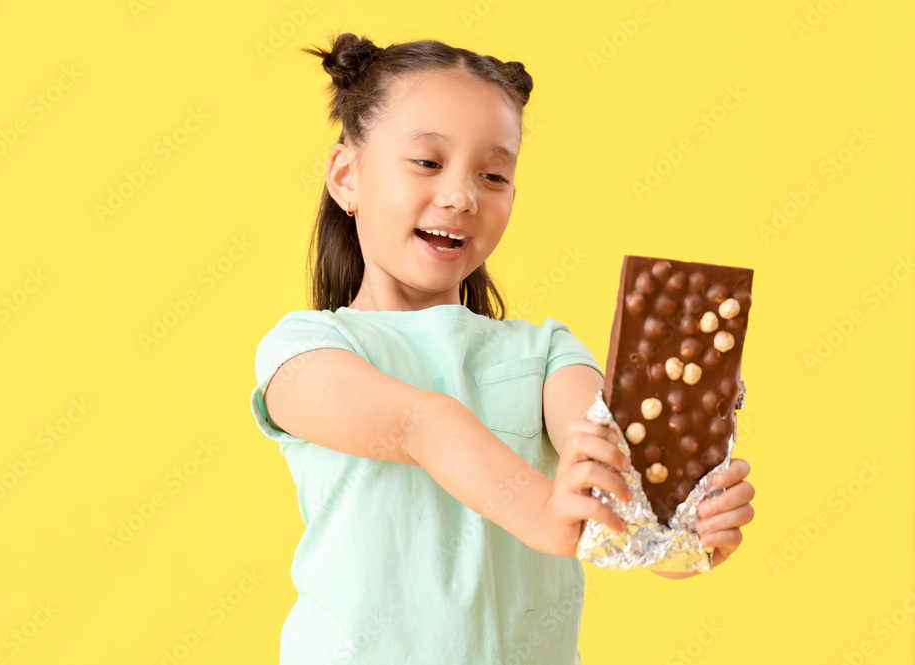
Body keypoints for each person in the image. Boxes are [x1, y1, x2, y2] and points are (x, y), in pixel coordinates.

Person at [250, 32, 755, 664]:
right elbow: (419, 425)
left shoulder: (546, 354)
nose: (462, 197)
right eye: (428, 163)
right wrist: (545, 509)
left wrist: (684, 525)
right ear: (347, 177)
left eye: (493, 174)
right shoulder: (304, 351)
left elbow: (613, 478)